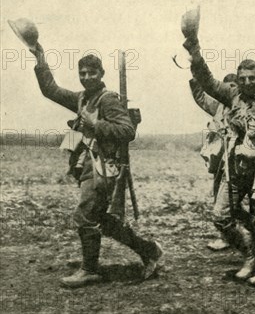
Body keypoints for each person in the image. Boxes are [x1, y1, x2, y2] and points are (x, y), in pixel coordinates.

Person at [29, 44, 162, 288]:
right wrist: (39, 58)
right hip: (87, 165)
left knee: (84, 215)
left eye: (91, 73)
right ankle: (149, 250)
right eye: (82, 73)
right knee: (103, 219)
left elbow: (127, 131)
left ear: (101, 74)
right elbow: (51, 90)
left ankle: (90, 270)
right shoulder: (82, 98)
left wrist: (95, 124)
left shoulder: (108, 99)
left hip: (102, 165)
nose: (86, 78)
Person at [183, 34, 255, 285]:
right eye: (242, 79)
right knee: (221, 217)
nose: (246, 83)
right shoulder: (232, 95)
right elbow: (207, 82)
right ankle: (251, 255)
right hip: (235, 168)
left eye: (251, 78)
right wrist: (196, 55)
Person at [190, 73, 237, 251]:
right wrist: (195, 76)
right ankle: (226, 236)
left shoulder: (243, 105)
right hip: (221, 160)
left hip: (241, 159)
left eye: (234, 86)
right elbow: (201, 97)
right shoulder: (218, 106)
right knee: (220, 196)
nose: (230, 90)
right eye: (228, 86)